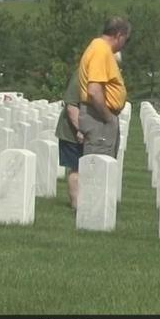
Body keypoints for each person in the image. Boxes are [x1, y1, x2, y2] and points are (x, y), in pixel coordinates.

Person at [78, 17, 131, 157]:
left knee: (105, 169)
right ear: (119, 35)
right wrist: (108, 118)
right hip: (99, 118)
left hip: (100, 116)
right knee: (98, 169)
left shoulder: (101, 49)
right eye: (126, 39)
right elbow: (94, 91)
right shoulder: (100, 50)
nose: (125, 44)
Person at [54, 71, 84, 208]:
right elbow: (71, 106)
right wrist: (81, 129)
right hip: (72, 132)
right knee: (76, 168)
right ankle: (76, 205)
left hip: (89, 129)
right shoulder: (80, 76)